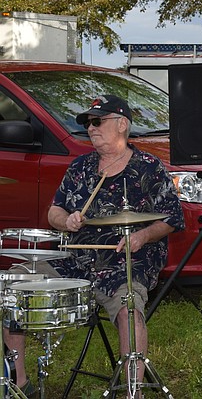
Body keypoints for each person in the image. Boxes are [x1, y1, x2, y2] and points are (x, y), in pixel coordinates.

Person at [3, 94, 184, 398]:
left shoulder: (149, 168)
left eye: (98, 121)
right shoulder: (80, 167)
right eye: (88, 122)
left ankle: (132, 390)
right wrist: (67, 221)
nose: (91, 127)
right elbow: (53, 212)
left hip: (125, 259)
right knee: (15, 284)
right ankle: (18, 384)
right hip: (76, 257)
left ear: (122, 124)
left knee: (129, 307)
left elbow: (173, 219)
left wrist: (141, 237)